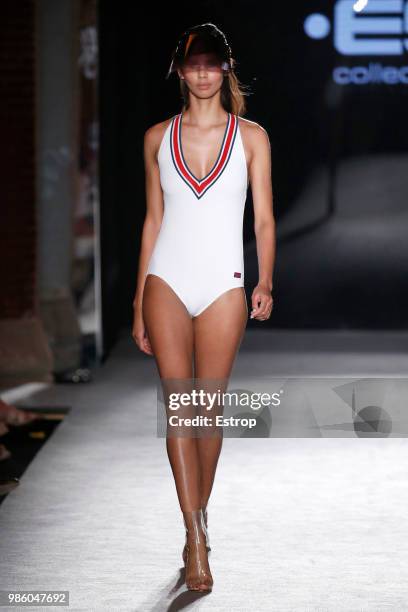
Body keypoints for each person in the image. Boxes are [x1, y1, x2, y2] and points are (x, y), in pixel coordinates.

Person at [132, 23, 275, 592]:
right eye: (194, 63)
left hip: (224, 283)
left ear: (226, 69)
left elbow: (263, 217)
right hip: (165, 278)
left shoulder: (251, 138)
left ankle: (200, 515)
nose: (202, 73)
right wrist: (137, 302)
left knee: (205, 411)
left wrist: (267, 279)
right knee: (179, 409)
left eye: (212, 64)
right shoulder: (155, 138)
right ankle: (195, 537)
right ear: (180, 69)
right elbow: (153, 221)